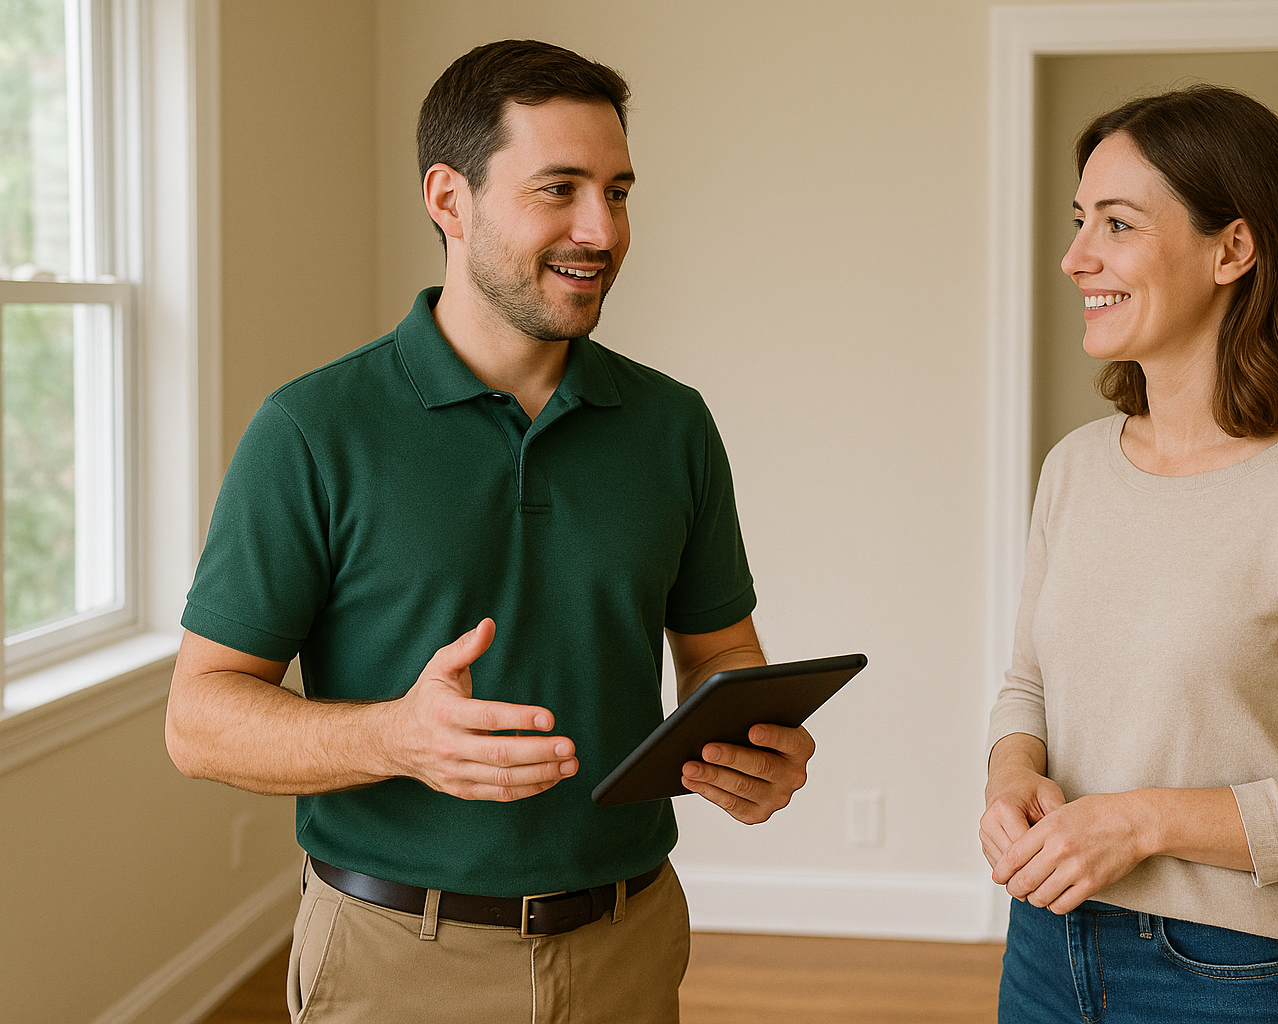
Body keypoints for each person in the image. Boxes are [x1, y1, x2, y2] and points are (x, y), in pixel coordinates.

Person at [164, 39, 815, 1024]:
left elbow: (721, 652)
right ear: (447, 199)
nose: (602, 229)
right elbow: (199, 718)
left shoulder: (672, 423)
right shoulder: (311, 428)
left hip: (629, 943)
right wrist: (399, 736)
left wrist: (753, 746)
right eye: (558, 189)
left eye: (619, 191)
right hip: (394, 956)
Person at [980, 85, 1278, 1023]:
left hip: (1239, 973)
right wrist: (1009, 774)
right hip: (1044, 946)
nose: (1076, 258)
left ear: (1233, 247)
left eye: (1117, 224)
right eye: (1079, 222)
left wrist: (1139, 821)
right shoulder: (1074, 468)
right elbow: (1029, 685)